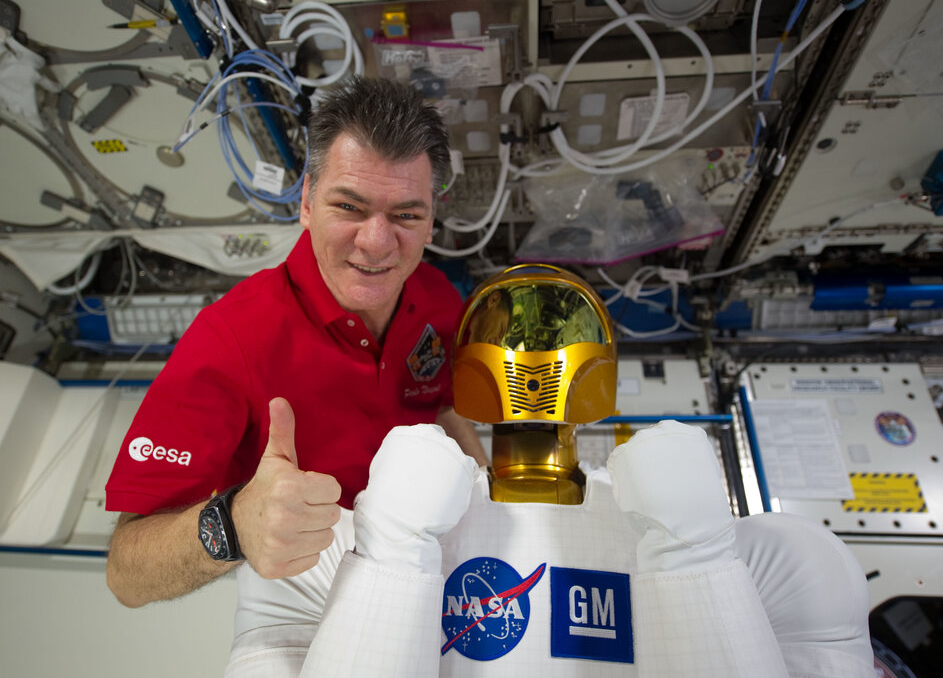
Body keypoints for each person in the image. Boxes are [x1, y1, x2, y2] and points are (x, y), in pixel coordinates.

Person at [223, 266, 875, 678]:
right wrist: (389, 552)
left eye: (554, 336)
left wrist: (698, 553)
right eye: (514, 338)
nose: (534, 359)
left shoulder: (773, 561)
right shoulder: (337, 553)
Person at [103, 76, 488, 609]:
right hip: (314, 590)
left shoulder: (437, 295)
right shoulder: (229, 339)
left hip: (438, 563)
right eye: (349, 207)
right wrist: (234, 523)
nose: (377, 242)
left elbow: (440, 402)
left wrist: (485, 494)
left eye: (405, 214)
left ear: (430, 221)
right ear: (307, 202)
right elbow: (126, 572)